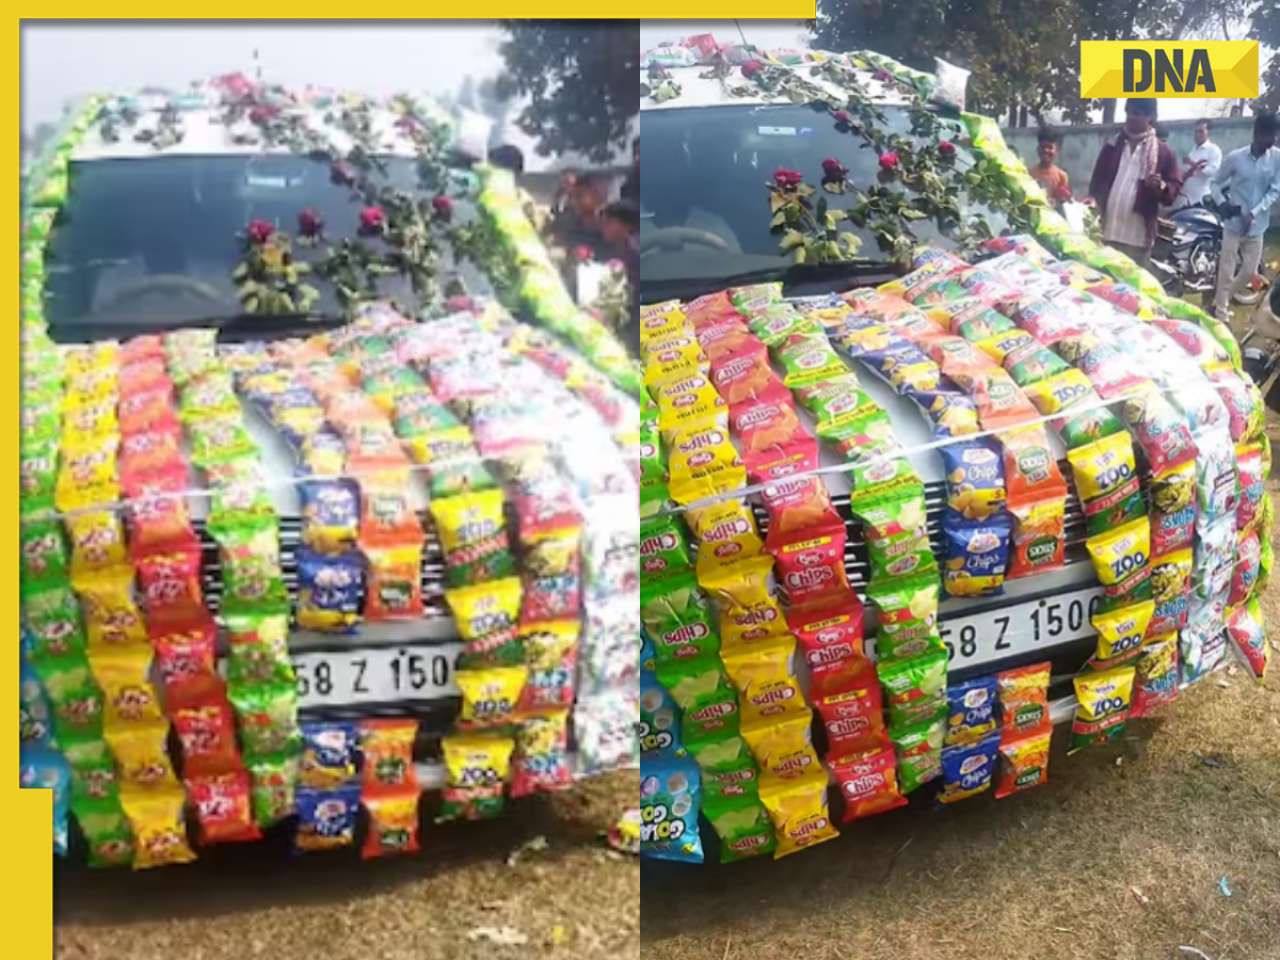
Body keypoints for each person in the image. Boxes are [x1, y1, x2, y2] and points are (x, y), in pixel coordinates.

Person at [1086, 97, 1181, 267]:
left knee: (1131, 290)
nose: (1130, 117)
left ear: (1150, 117)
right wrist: (1093, 199)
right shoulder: (1112, 146)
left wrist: (1161, 187)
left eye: (1136, 113)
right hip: (1107, 232)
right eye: (1128, 112)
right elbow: (1097, 182)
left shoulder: (1163, 152)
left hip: (1137, 238)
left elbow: (1173, 189)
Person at [1210, 111, 1280, 318]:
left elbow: (1275, 190)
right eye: (1270, 135)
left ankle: (1219, 301)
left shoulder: (1277, 158)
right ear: (1257, 133)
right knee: (1226, 270)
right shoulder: (1235, 158)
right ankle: (1220, 313)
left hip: (1257, 226)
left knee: (1250, 271)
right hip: (1233, 224)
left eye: (1275, 135)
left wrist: (1254, 212)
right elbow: (1214, 183)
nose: (1273, 140)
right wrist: (1222, 203)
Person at [1173, 119, 1222, 211]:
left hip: (1201, 200)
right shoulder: (1193, 150)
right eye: (1195, 132)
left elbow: (1212, 172)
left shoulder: (1214, 150)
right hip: (1186, 199)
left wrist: (1193, 164)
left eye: (1201, 132)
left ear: (1208, 132)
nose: (1197, 135)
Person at [1029, 128, 1070, 205]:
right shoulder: (1029, 173)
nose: (1046, 150)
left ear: (1057, 150)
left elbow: (1063, 202)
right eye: (1043, 147)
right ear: (1038, 149)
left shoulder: (1062, 176)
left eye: (1050, 147)